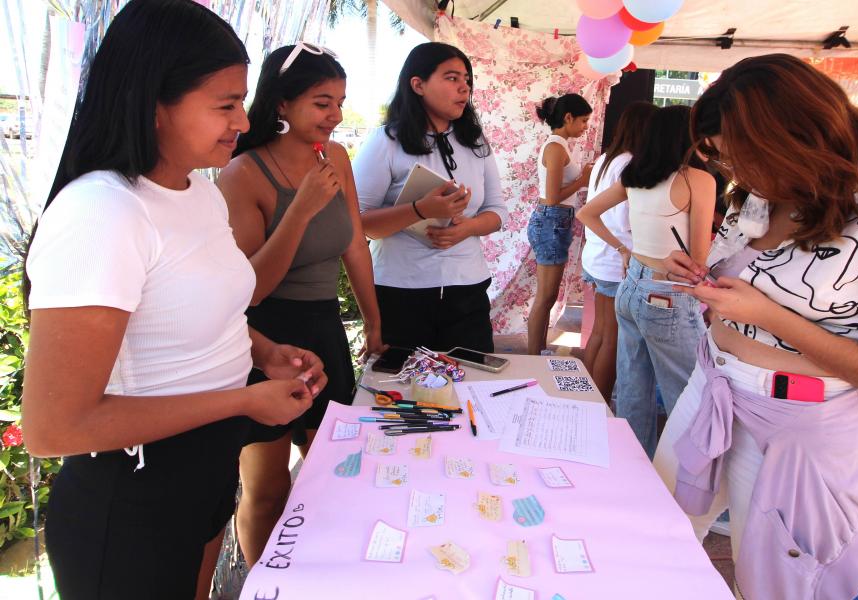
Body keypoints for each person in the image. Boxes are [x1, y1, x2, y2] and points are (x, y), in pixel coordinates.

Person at [20, 2, 328, 598]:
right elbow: (54, 427)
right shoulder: (103, 211)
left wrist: (265, 353)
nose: (243, 120)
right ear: (154, 103)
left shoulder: (199, 194)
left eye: (242, 102)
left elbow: (201, 308)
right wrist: (243, 400)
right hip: (133, 495)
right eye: (225, 105)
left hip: (203, 469)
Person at [653, 55, 858, 598]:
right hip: (714, 387)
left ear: (798, 136)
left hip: (809, 426)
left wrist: (768, 316)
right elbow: (751, 282)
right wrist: (700, 276)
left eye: (745, 158)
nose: (739, 174)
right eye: (726, 160)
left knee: (781, 583)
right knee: (659, 534)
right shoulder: (765, 191)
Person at [216, 42, 384, 566]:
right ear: (283, 103)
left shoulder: (335, 158)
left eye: (340, 102)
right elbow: (250, 289)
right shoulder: (243, 173)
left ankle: (323, 576)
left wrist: (374, 323)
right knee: (267, 490)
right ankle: (262, 583)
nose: (336, 116)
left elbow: (355, 244)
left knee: (334, 474)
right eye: (322, 102)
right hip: (263, 339)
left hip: (324, 327)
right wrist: (301, 209)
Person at [576, 105, 715, 457]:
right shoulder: (698, 180)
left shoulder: (635, 175)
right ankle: (683, 478)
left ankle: (632, 468)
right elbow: (698, 258)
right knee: (690, 395)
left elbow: (587, 212)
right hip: (668, 293)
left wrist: (624, 249)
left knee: (633, 391)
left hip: (632, 287)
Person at [353, 42, 507, 352]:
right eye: (451, 78)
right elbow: (358, 224)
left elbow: (497, 211)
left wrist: (467, 228)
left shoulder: (475, 142)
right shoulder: (386, 141)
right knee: (402, 381)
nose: (464, 87)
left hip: (467, 290)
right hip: (400, 292)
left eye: (467, 79)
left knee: (470, 378)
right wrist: (419, 210)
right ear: (418, 85)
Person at [580, 101, 658, 402]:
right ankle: (599, 403)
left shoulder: (607, 158)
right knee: (611, 338)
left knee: (600, 332)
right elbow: (625, 219)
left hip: (599, 256)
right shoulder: (630, 164)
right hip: (615, 259)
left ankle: (587, 398)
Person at [526, 94, 594, 355]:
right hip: (551, 221)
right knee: (546, 297)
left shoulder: (560, 146)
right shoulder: (555, 147)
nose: (586, 126)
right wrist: (583, 179)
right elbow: (553, 197)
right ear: (568, 118)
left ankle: (538, 352)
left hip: (554, 222)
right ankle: (534, 356)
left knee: (548, 296)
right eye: (583, 120)